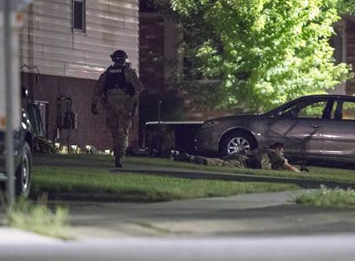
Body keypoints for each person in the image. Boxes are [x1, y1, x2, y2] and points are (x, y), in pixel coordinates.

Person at [91, 50, 143, 167]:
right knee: (123, 133)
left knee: (115, 133)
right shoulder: (129, 73)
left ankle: (117, 155)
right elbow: (139, 87)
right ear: (124, 59)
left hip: (110, 107)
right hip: (125, 108)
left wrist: (94, 105)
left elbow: (97, 91)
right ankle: (120, 156)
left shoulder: (106, 74)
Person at [172, 142, 306, 172]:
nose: (282, 154)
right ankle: (187, 158)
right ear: (278, 149)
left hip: (241, 157)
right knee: (217, 164)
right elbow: (286, 166)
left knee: (218, 161)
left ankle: (184, 156)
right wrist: (298, 171)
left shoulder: (265, 151)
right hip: (244, 163)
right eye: (281, 151)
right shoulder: (273, 153)